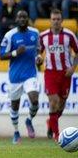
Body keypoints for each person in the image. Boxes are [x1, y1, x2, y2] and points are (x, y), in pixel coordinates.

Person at [36, 9, 78, 142]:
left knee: (61, 104)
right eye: (53, 19)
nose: (56, 21)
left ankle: (51, 123)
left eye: (58, 19)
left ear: (62, 20)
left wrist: (73, 67)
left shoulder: (69, 35)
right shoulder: (43, 36)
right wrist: (38, 59)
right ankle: (56, 134)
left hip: (66, 73)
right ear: (50, 20)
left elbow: (77, 52)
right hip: (50, 73)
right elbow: (38, 53)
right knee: (53, 102)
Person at [0, 10, 40, 144]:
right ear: (16, 19)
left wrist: (39, 57)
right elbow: (1, 55)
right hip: (15, 76)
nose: (22, 19)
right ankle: (16, 132)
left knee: (34, 100)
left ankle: (29, 120)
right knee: (15, 106)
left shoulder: (35, 33)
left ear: (28, 19)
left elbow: (38, 49)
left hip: (30, 74)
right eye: (20, 17)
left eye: (24, 17)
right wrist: (16, 52)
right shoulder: (10, 35)